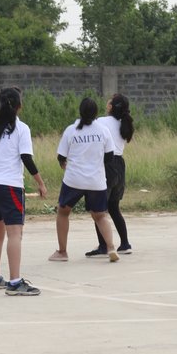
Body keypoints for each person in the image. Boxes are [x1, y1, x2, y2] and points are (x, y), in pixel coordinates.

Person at [0, 87, 48, 295]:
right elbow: (26, 158)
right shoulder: (21, 128)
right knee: (15, 233)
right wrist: (41, 183)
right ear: (19, 106)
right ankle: (15, 283)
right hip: (9, 185)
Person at [49, 97, 119, 263]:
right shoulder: (103, 130)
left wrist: (64, 164)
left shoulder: (71, 130)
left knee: (63, 212)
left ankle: (62, 252)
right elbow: (110, 156)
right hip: (96, 180)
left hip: (74, 179)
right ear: (96, 113)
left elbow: (61, 156)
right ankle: (110, 248)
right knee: (100, 216)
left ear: (80, 111)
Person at [85, 94, 134, 258]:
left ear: (111, 106)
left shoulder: (101, 122)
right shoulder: (124, 124)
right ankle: (125, 243)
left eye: (109, 101)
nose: (106, 102)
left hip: (106, 164)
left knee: (98, 208)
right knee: (113, 207)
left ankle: (103, 245)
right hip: (120, 165)